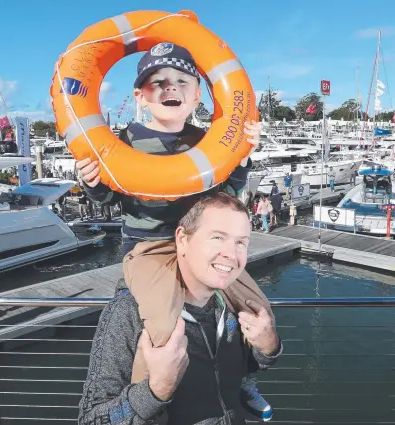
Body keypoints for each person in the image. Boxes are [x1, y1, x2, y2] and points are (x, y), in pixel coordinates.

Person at [76, 43, 272, 417]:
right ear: (141, 97)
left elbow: (223, 194)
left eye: (182, 81)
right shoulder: (123, 142)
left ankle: (246, 380)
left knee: (256, 304)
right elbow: (107, 198)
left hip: (201, 248)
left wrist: (242, 158)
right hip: (150, 248)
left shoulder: (207, 140)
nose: (171, 88)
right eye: (158, 82)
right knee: (163, 325)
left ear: (198, 94)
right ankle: (150, 400)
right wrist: (91, 182)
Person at [78, 193, 282, 424]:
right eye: (217, 238)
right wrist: (156, 390)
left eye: (240, 242)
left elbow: (251, 365)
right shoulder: (128, 314)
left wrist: (270, 346)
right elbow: (90, 420)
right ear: (182, 240)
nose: (231, 254)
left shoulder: (235, 307)